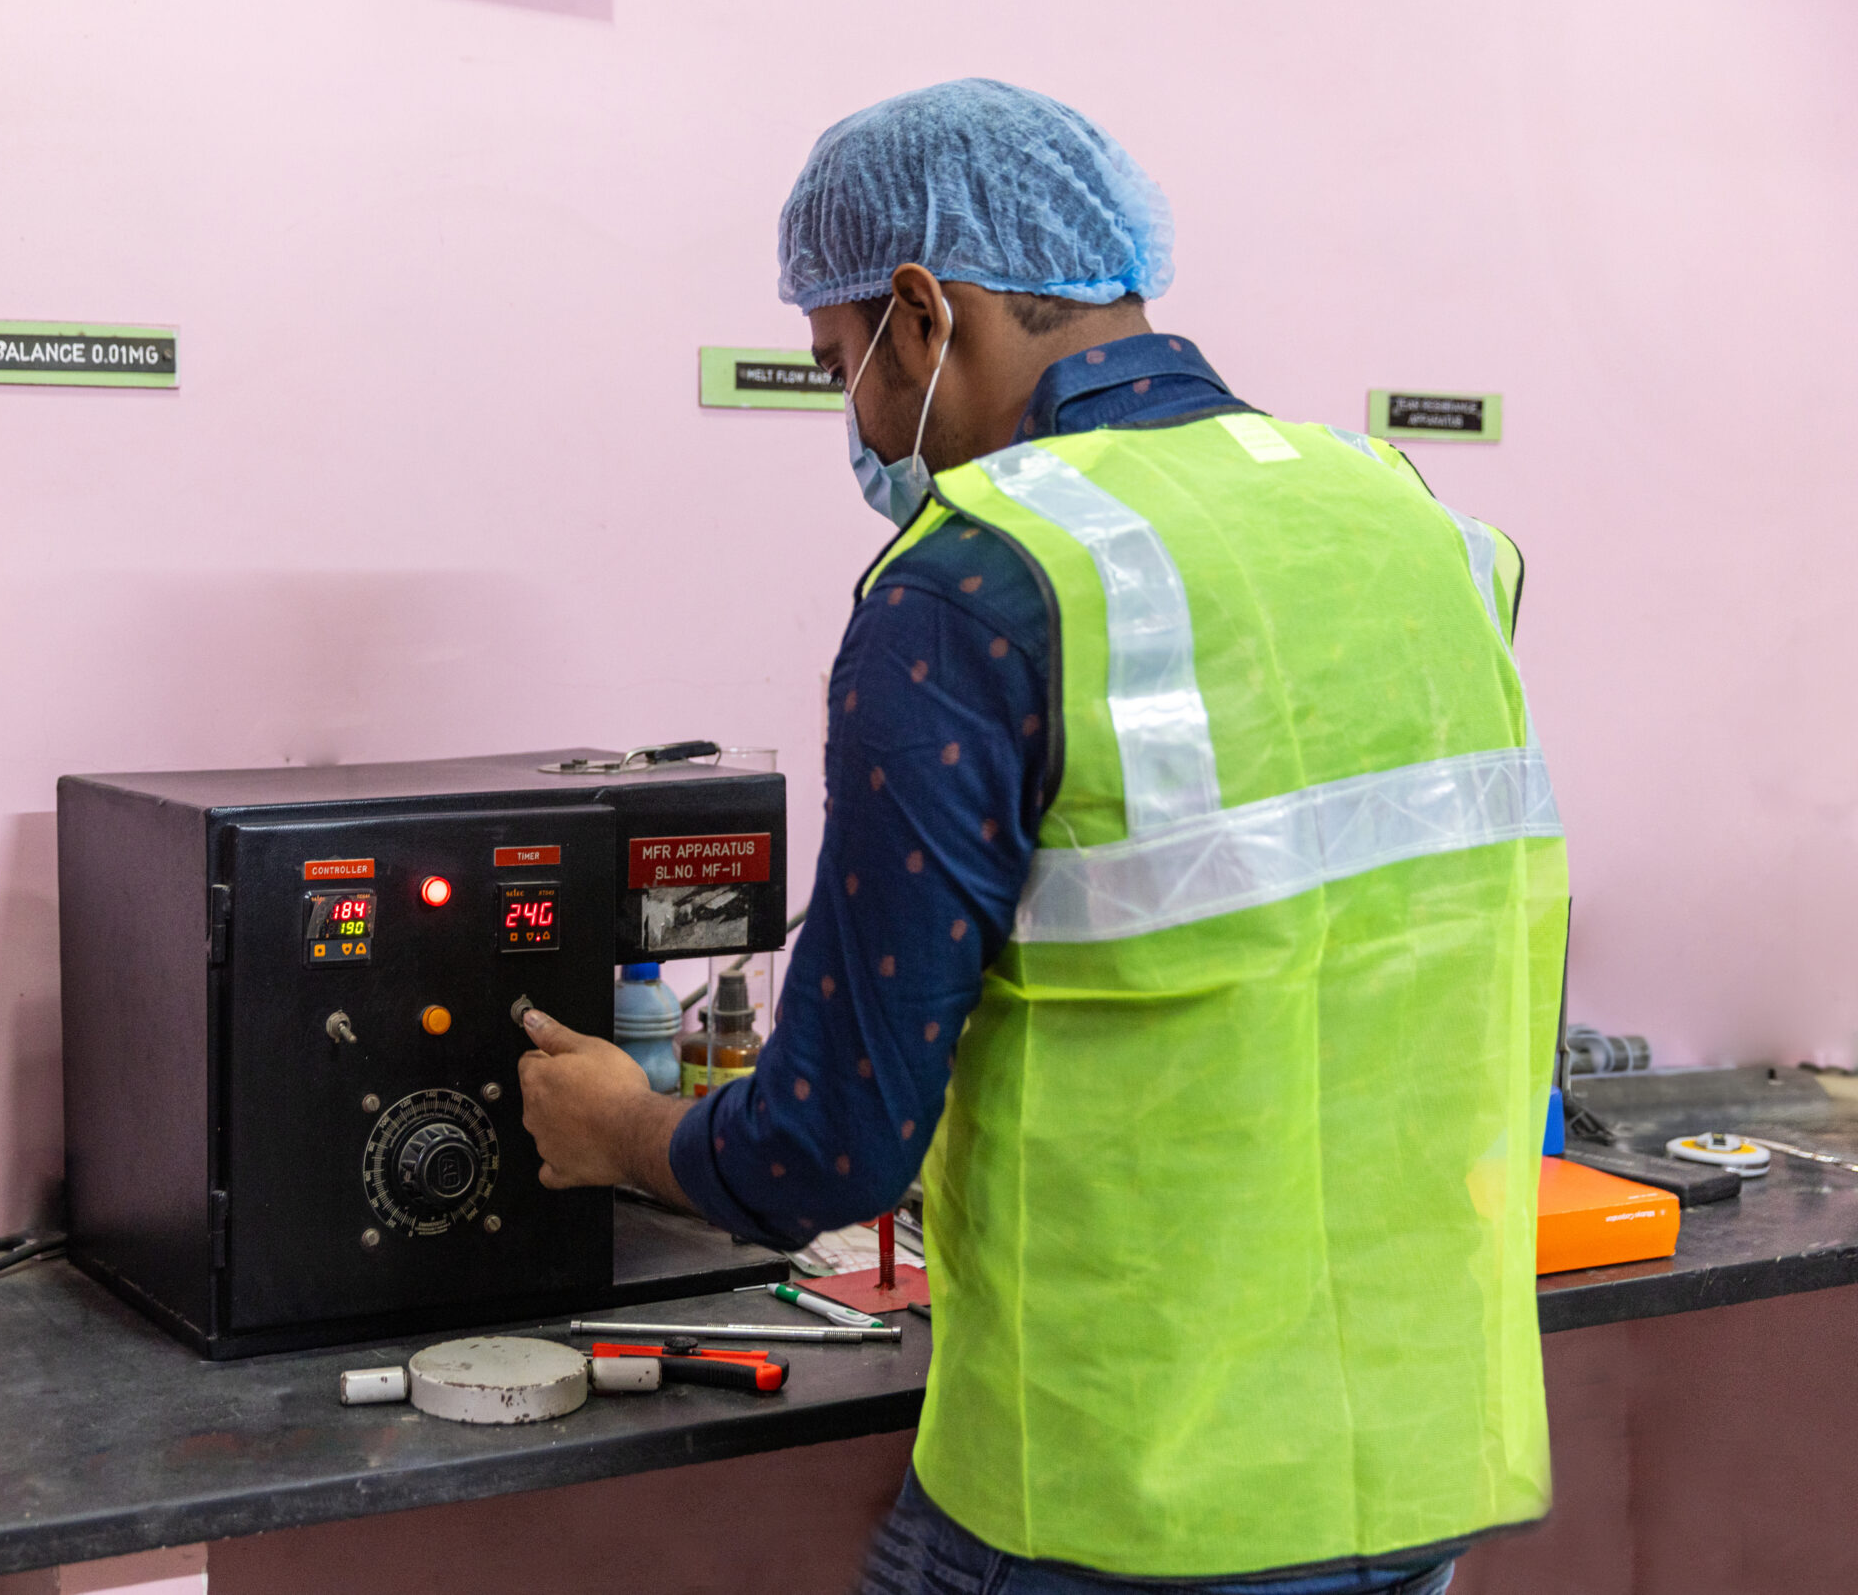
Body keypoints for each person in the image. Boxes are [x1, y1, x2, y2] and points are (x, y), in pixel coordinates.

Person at [518, 79, 1568, 1595]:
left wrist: (620, 1127)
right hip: (1420, 1455)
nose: (856, 419)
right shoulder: (1421, 529)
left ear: (920, 315)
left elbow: (825, 1146)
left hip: (1121, 1491)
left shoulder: (974, 587)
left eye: (840, 366)